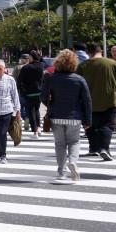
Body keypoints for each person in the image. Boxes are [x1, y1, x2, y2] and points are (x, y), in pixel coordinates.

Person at [40, 50, 92, 182]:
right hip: (74, 116)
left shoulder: (51, 79)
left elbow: (43, 97)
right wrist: (88, 120)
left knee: (60, 144)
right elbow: (87, 101)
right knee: (74, 141)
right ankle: (73, 162)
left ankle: (61, 173)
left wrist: (51, 105)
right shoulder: (80, 79)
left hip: (56, 115)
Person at [76, 43, 116, 161]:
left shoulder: (82, 66)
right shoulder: (112, 63)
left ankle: (93, 149)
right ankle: (104, 149)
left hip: (88, 101)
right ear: (101, 51)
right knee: (107, 125)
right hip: (109, 100)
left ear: (88, 53)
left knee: (91, 126)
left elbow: (77, 83)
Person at [17, 51, 47, 139]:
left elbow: (19, 81)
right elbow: (44, 62)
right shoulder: (41, 66)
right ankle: (38, 128)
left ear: (31, 58)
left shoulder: (26, 68)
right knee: (37, 110)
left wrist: (21, 91)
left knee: (31, 112)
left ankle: (35, 132)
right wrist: (39, 55)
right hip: (39, 92)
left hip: (29, 93)